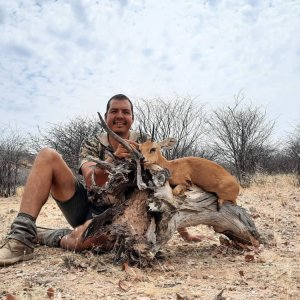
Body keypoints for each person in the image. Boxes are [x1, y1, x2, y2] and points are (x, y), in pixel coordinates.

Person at [0, 94, 201, 267]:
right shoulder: (92, 143)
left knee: (100, 243)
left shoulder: (145, 144)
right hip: (86, 206)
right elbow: (90, 179)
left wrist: (184, 232)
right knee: (47, 155)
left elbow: (163, 186)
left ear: (132, 117)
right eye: (114, 111)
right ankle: (20, 238)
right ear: (106, 117)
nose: (120, 116)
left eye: (125, 111)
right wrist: (112, 159)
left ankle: (48, 236)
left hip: (120, 216)